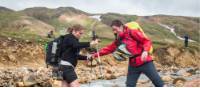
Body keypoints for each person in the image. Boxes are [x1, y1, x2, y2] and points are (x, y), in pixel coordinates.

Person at [91, 20, 164, 87]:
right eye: (113, 30)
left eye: (115, 29)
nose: (115, 32)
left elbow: (146, 41)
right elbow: (109, 49)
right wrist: (94, 55)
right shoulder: (119, 39)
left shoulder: (132, 32)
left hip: (145, 62)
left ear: (121, 26)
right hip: (133, 65)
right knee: (129, 85)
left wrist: (145, 51)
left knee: (158, 83)